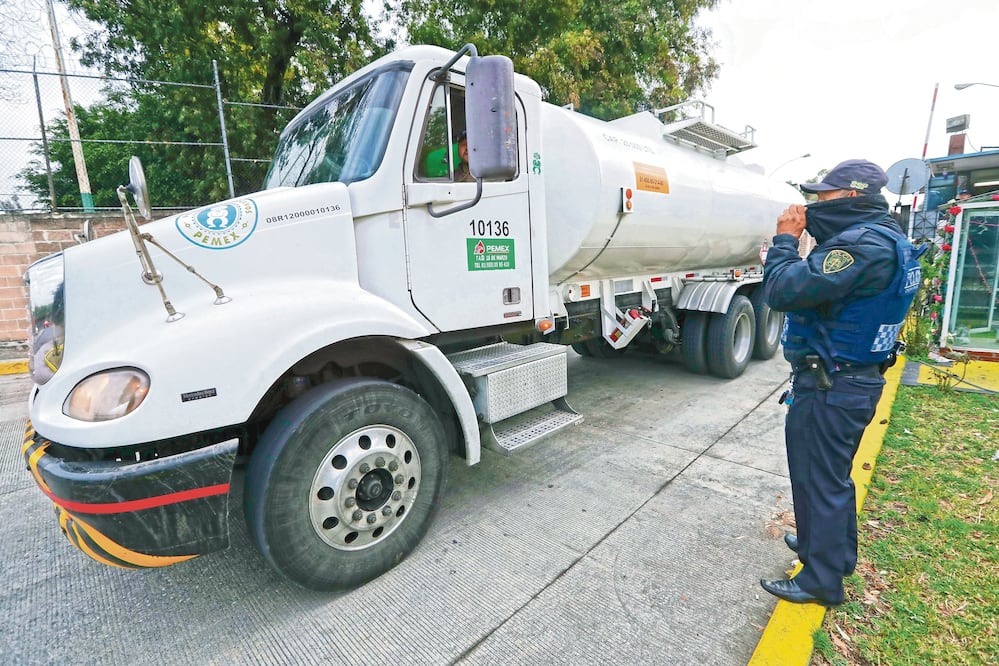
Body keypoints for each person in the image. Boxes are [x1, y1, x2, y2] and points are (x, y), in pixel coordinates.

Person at [760, 159, 925, 606]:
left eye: (823, 194)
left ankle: (821, 581)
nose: (814, 202)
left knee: (821, 479)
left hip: (832, 384)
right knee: (827, 476)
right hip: (849, 379)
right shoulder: (888, 237)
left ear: (851, 196)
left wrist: (785, 241)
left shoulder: (859, 246)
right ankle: (825, 548)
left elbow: (781, 291)